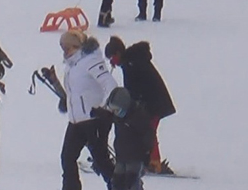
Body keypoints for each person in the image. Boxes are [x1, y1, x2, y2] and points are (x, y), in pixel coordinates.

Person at [104, 37, 176, 175]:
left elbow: (135, 89)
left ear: (118, 53)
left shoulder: (131, 63)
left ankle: (154, 162)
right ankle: (150, 160)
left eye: (112, 58)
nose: (112, 62)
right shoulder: (132, 60)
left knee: (148, 130)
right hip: (151, 103)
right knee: (145, 130)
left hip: (154, 104)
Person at [58, 29, 117, 190]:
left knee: (100, 159)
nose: (64, 52)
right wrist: (67, 102)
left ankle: (118, 186)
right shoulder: (71, 66)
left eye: (66, 48)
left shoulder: (91, 61)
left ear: (76, 46)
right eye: (62, 48)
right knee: (67, 157)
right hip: (76, 120)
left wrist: (104, 108)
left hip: (94, 120)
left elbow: (110, 85)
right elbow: (77, 91)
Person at [89, 88, 155, 189]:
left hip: (135, 159)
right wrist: (98, 113)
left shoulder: (138, 117)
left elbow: (148, 135)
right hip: (121, 157)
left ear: (125, 105)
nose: (115, 113)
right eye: (114, 110)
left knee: (131, 183)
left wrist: (147, 154)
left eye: (117, 110)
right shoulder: (119, 116)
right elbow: (109, 116)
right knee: (117, 183)